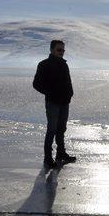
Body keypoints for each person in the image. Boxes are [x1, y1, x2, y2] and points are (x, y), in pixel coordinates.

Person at [33, 40, 77, 168]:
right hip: (52, 103)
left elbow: (68, 82)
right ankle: (48, 159)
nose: (61, 52)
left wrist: (70, 93)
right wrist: (51, 93)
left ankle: (61, 154)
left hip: (64, 102)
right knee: (51, 130)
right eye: (59, 50)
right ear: (51, 50)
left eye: (63, 50)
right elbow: (36, 84)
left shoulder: (64, 65)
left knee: (61, 129)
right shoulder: (44, 65)